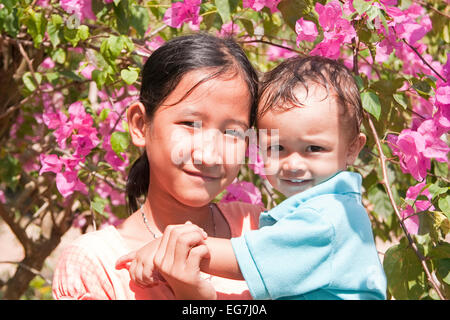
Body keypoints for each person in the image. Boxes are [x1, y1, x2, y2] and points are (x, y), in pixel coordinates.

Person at [120, 56, 388, 300]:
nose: (293, 164)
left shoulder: (329, 217)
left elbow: (246, 258)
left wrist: (174, 248)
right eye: (277, 148)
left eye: (314, 149)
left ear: (353, 148)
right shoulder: (314, 211)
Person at [51, 32, 264, 300]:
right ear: (141, 125)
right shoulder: (96, 266)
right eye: (190, 124)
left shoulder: (259, 228)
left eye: (233, 133)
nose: (209, 156)